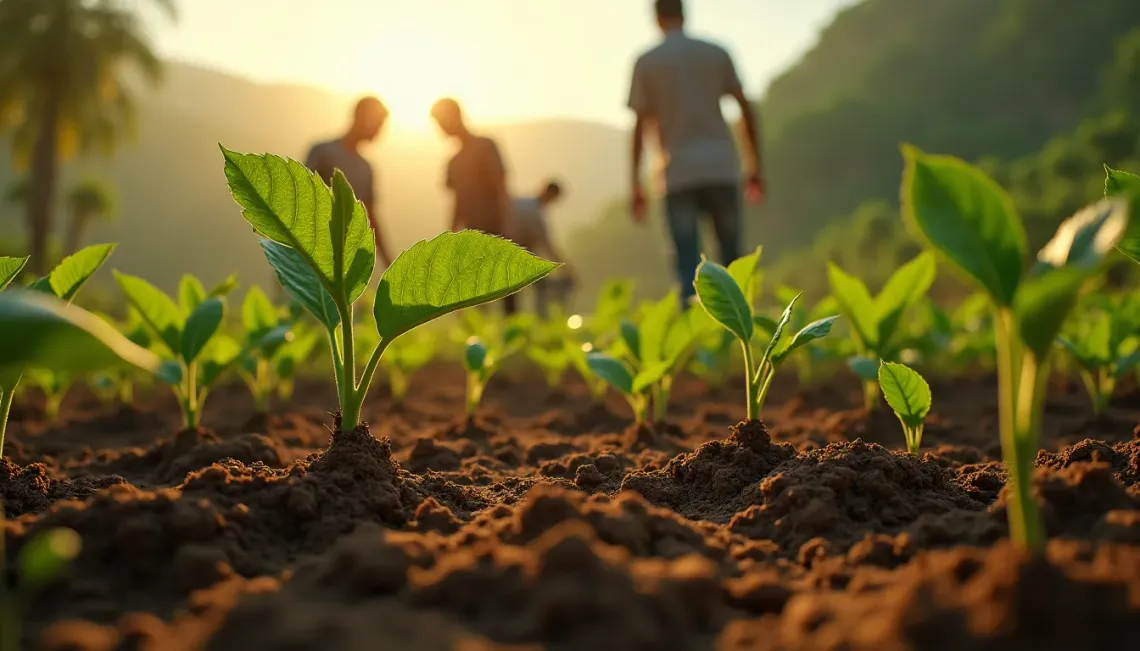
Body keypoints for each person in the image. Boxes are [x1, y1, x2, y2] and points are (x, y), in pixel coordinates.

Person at [627, 0, 765, 301]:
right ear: (684, 14)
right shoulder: (716, 52)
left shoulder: (648, 62)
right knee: (733, 261)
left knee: (687, 266)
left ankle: (696, 338)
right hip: (720, 167)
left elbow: (639, 127)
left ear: (656, 19)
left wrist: (635, 185)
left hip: (676, 173)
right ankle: (737, 333)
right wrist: (754, 166)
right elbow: (745, 109)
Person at [430, 97, 519, 315]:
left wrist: (508, 223)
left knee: (505, 283)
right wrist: (450, 237)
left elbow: (500, 187)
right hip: (472, 230)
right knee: (474, 286)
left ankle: (511, 329)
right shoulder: (454, 161)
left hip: (495, 225)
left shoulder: (485, 146)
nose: (441, 127)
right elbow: (458, 202)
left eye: (442, 120)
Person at [304, 96, 394, 267]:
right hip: (309, 253)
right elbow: (303, 196)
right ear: (362, 117)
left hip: (342, 261)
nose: (379, 131)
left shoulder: (366, 168)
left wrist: (390, 265)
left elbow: (371, 219)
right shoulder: (323, 153)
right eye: (379, 123)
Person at [510, 180, 577, 318]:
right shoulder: (534, 212)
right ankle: (540, 319)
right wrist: (567, 269)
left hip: (516, 250)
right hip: (511, 251)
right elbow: (547, 246)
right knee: (539, 286)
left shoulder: (525, 202)